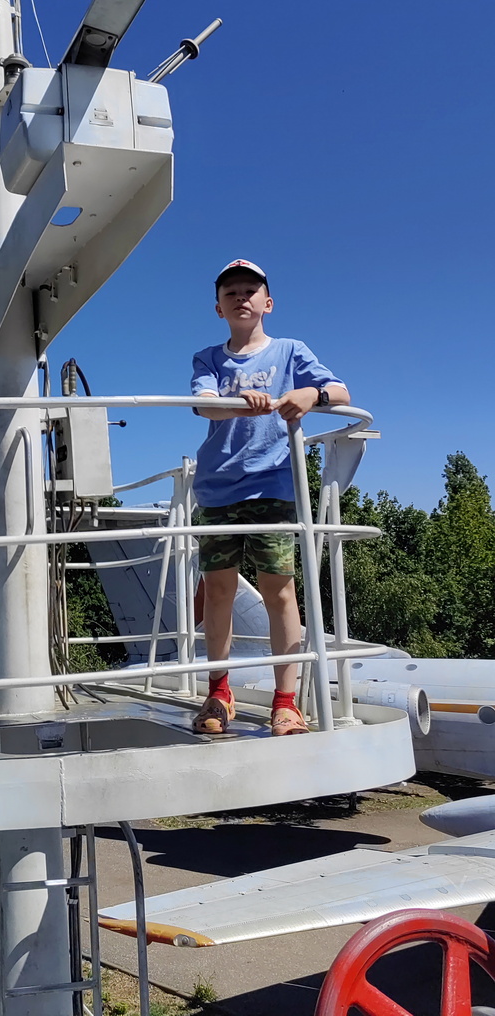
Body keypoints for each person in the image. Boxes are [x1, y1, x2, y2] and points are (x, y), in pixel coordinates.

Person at [190, 259, 350, 736]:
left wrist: (312, 396)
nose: (241, 297)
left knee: (279, 591)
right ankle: (219, 693)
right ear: (218, 308)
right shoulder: (208, 358)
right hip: (217, 489)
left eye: (250, 290)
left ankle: (285, 703)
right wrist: (241, 405)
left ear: (268, 302)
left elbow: (340, 391)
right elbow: (203, 404)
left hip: (272, 487)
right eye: (231, 292)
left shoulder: (290, 350)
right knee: (218, 590)